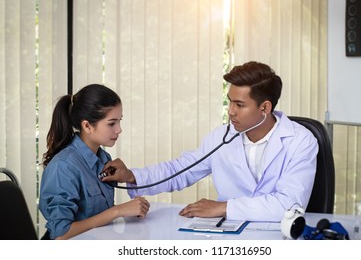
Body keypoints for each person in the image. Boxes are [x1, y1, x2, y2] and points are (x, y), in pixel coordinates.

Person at [102, 61, 318, 222]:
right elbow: (181, 170)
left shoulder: (301, 141)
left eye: (240, 105)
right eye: (229, 102)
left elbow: (288, 205)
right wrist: (133, 176)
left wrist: (223, 207)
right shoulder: (221, 137)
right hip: (229, 235)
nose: (230, 112)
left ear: (265, 108)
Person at [39, 84, 150, 240]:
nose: (119, 130)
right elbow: (61, 234)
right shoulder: (63, 167)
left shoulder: (104, 159)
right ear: (87, 126)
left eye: (119, 121)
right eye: (112, 123)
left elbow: (98, 219)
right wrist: (118, 211)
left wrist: (129, 212)